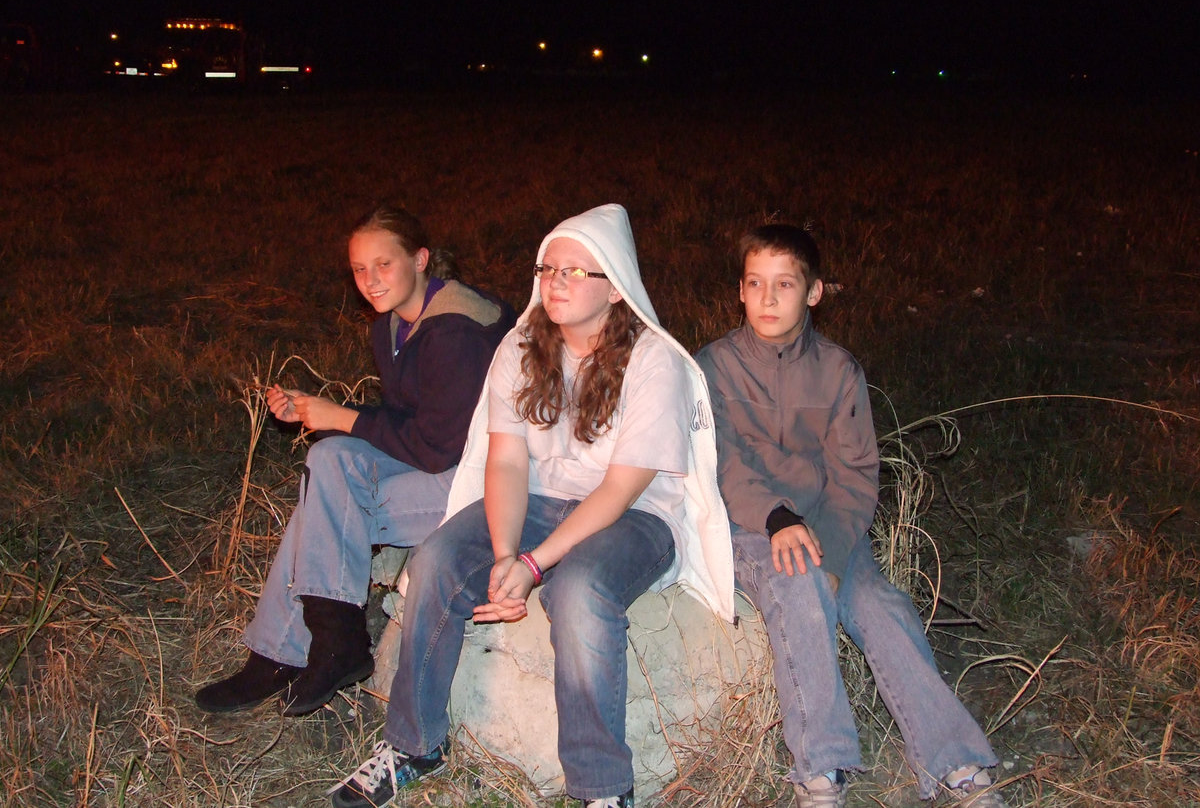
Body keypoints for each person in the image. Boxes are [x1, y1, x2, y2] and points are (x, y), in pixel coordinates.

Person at [329, 203, 735, 808]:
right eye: (548, 268)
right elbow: (509, 461)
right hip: (544, 499)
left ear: (616, 286)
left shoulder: (654, 363)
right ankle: (415, 744)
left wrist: (535, 563)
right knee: (438, 560)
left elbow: (621, 488)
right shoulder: (522, 346)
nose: (555, 282)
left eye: (575, 271)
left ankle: (603, 788)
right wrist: (501, 552)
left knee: (580, 591)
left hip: (637, 514)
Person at [694, 224, 1008, 808]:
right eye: (755, 283)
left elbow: (856, 474)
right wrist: (777, 517)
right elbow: (721, 464)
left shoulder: (838, 371)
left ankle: (955, 760)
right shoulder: (712, 367)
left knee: (879, 605)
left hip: (824, 529)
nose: (767, 299)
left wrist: (835, 553)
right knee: (797, 580)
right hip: (748, 528)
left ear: (813, 293)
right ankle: (822, 767)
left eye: (784, 284)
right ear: (739, 290)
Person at [195, 207, 515, 717]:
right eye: (359, 270)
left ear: (420, 259)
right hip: (444, 461)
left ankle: (292, 651)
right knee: (329, 458)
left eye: (383, 265)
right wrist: (315, 411)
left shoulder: (456, 329)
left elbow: (438, 448)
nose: (369, 281)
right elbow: (402, 418)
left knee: (329, 501)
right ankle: (325, 642)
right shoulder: (394, 324)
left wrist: (340, 416)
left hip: (486, 485)